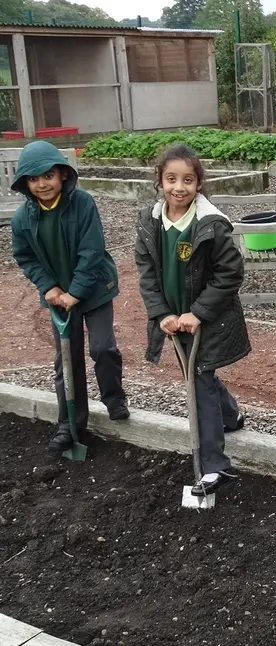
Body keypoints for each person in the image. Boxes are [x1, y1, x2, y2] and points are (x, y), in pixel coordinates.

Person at [135, 144, 250, 497]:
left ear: (199, 183)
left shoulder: (211, 225)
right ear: (160, 182)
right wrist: (163, 314)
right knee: (200, 373)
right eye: (171, 179)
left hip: (208, 319)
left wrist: (197, 313)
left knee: (198, 379)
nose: (179, 187)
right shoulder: (150, 222)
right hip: (174, 318)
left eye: (187, 179)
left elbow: (230, 274)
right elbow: (147, 274)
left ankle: (214, 465)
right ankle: (232, 416)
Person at [9, 141, 128, 452]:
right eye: (33, 179)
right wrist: (49, 288)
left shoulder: (83, 204)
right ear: (26, 184)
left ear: (62, 175)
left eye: (48, 175)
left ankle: (114, 399)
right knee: (66, 360)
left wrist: (76, 291)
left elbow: (92, 251)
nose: (42, 184)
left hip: (94, 289)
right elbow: (25, 258)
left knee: (103, 348)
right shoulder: (23, 218)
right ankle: (70, 423)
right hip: (58, 297)